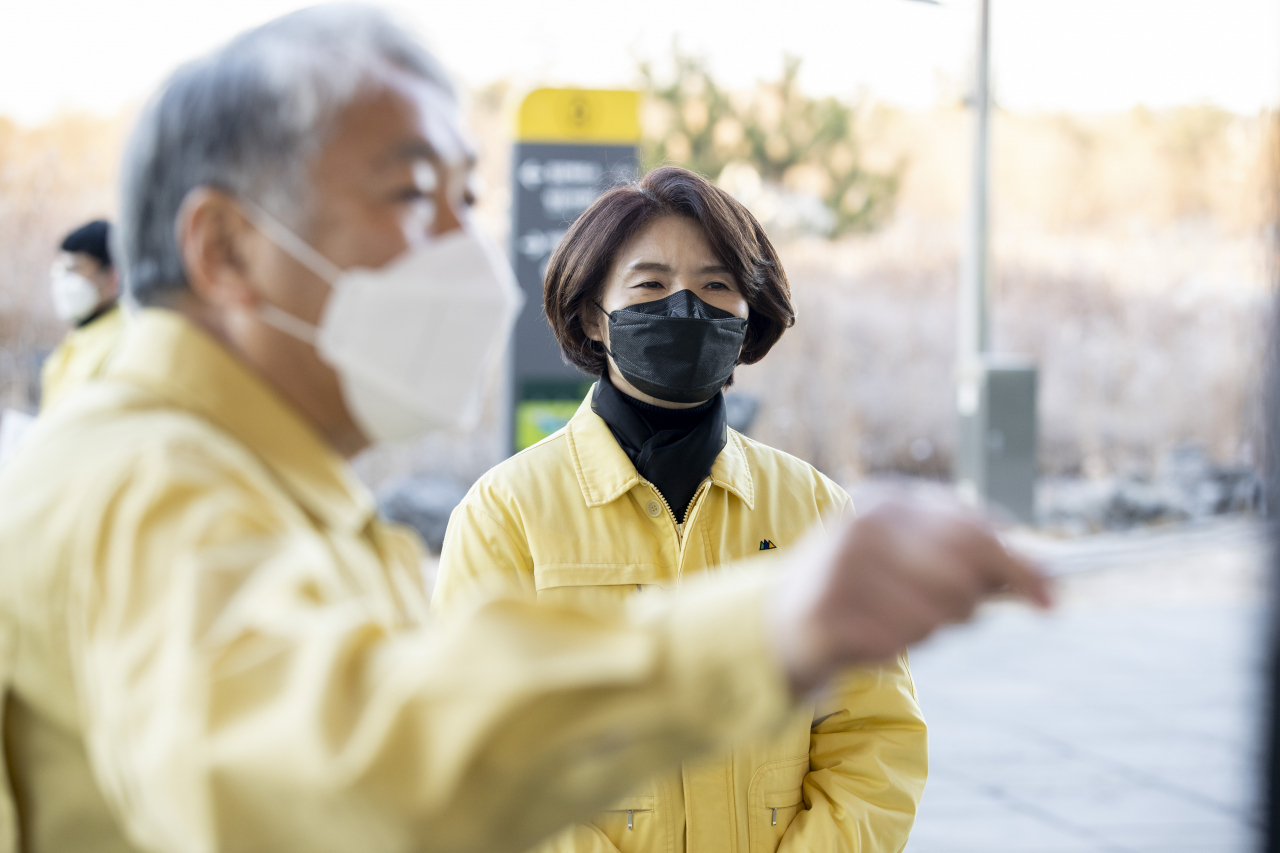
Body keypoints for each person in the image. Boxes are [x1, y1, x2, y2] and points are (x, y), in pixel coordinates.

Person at [0, 6, 1050, 853]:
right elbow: (336, 775)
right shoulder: (145, 479)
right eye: (415, 192)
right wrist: (765, 628)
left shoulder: (262, 477)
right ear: (225, 249)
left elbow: (872, 745)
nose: (465, 243)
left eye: (468, 194)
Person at [432, 166, 926, 853]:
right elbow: (482, 752)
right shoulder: (505, 513)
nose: (685, 307)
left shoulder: (814, 508)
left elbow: (873, 735)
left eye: (716, 285)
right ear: (590, 315)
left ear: (749, 316)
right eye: (650, 284)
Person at [40, 219, 125, 411]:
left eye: (74, 269)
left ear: (112, 277)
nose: (63, 280)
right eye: (60, 270)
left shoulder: (124, 342)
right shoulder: (80, 336)